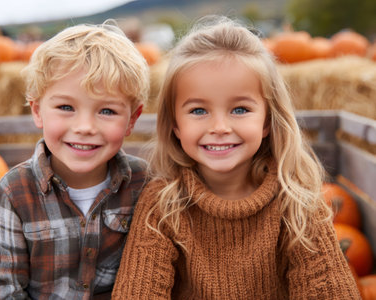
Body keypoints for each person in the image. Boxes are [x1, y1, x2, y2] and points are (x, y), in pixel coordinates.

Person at [111, 16, 361, 299]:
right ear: (175, 125)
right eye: (198, 111)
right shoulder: (163, 204)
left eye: (240, 110)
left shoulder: (296, 203)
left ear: (267, 120)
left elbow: (328, 291)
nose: (220, 127)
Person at [0, 21, 150, 299]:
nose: (84, 126)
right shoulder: (11, 196)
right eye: (66, 107)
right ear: (37, 111)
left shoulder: (145, 186)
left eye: (106, 111)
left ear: (132, 120)